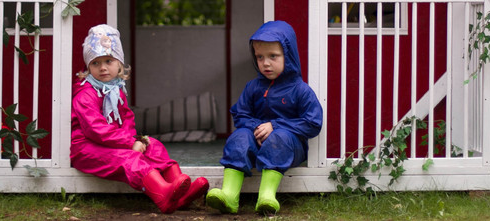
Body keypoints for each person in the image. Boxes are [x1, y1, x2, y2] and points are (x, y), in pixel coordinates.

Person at [70, 24, 208, 213]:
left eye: (108, 61)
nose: (102, 68)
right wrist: (129, 144)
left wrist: (136, 141)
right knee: (129, 159)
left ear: (119, 63)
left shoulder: (116, 89)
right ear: (88, 67)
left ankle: (178, 187)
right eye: (95, 63)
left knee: (153, 145)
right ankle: (163, 194)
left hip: (113, 142)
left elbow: (126, 119)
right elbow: (96, 130)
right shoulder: (85, 94)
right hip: (87, 149)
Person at [206, 20, 323, 214]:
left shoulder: (300, 90)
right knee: (239, 136)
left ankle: (266, 196)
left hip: (289, 146)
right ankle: (229, 195)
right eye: (260, 57)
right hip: (257, 139)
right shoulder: (253, 87)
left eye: (273, 56)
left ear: (288, 55)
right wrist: (257, 128)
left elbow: (312, 123)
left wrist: (274, 126)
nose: (265, 63)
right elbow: (240, 114)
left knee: (279, 138)